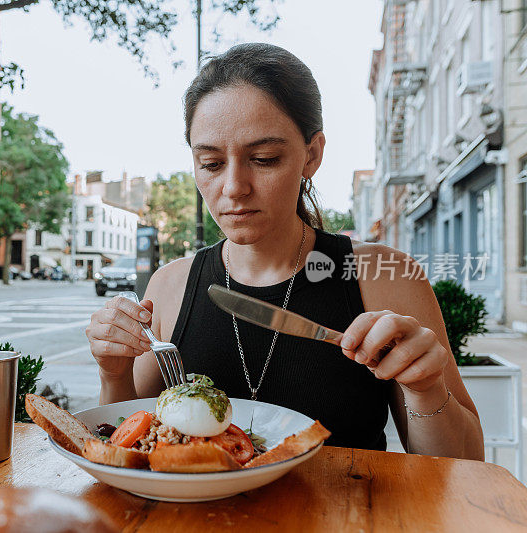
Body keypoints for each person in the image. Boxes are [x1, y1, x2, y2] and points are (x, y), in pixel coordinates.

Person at [85, 43, 484, 460]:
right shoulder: (170, 285)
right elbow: (129, 445)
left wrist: (425, 388)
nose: (235, 187)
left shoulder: (383, 276)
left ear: (311, 155)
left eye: (264, 158)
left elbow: (466, 464)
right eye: (211, 164)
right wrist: (113, 372)